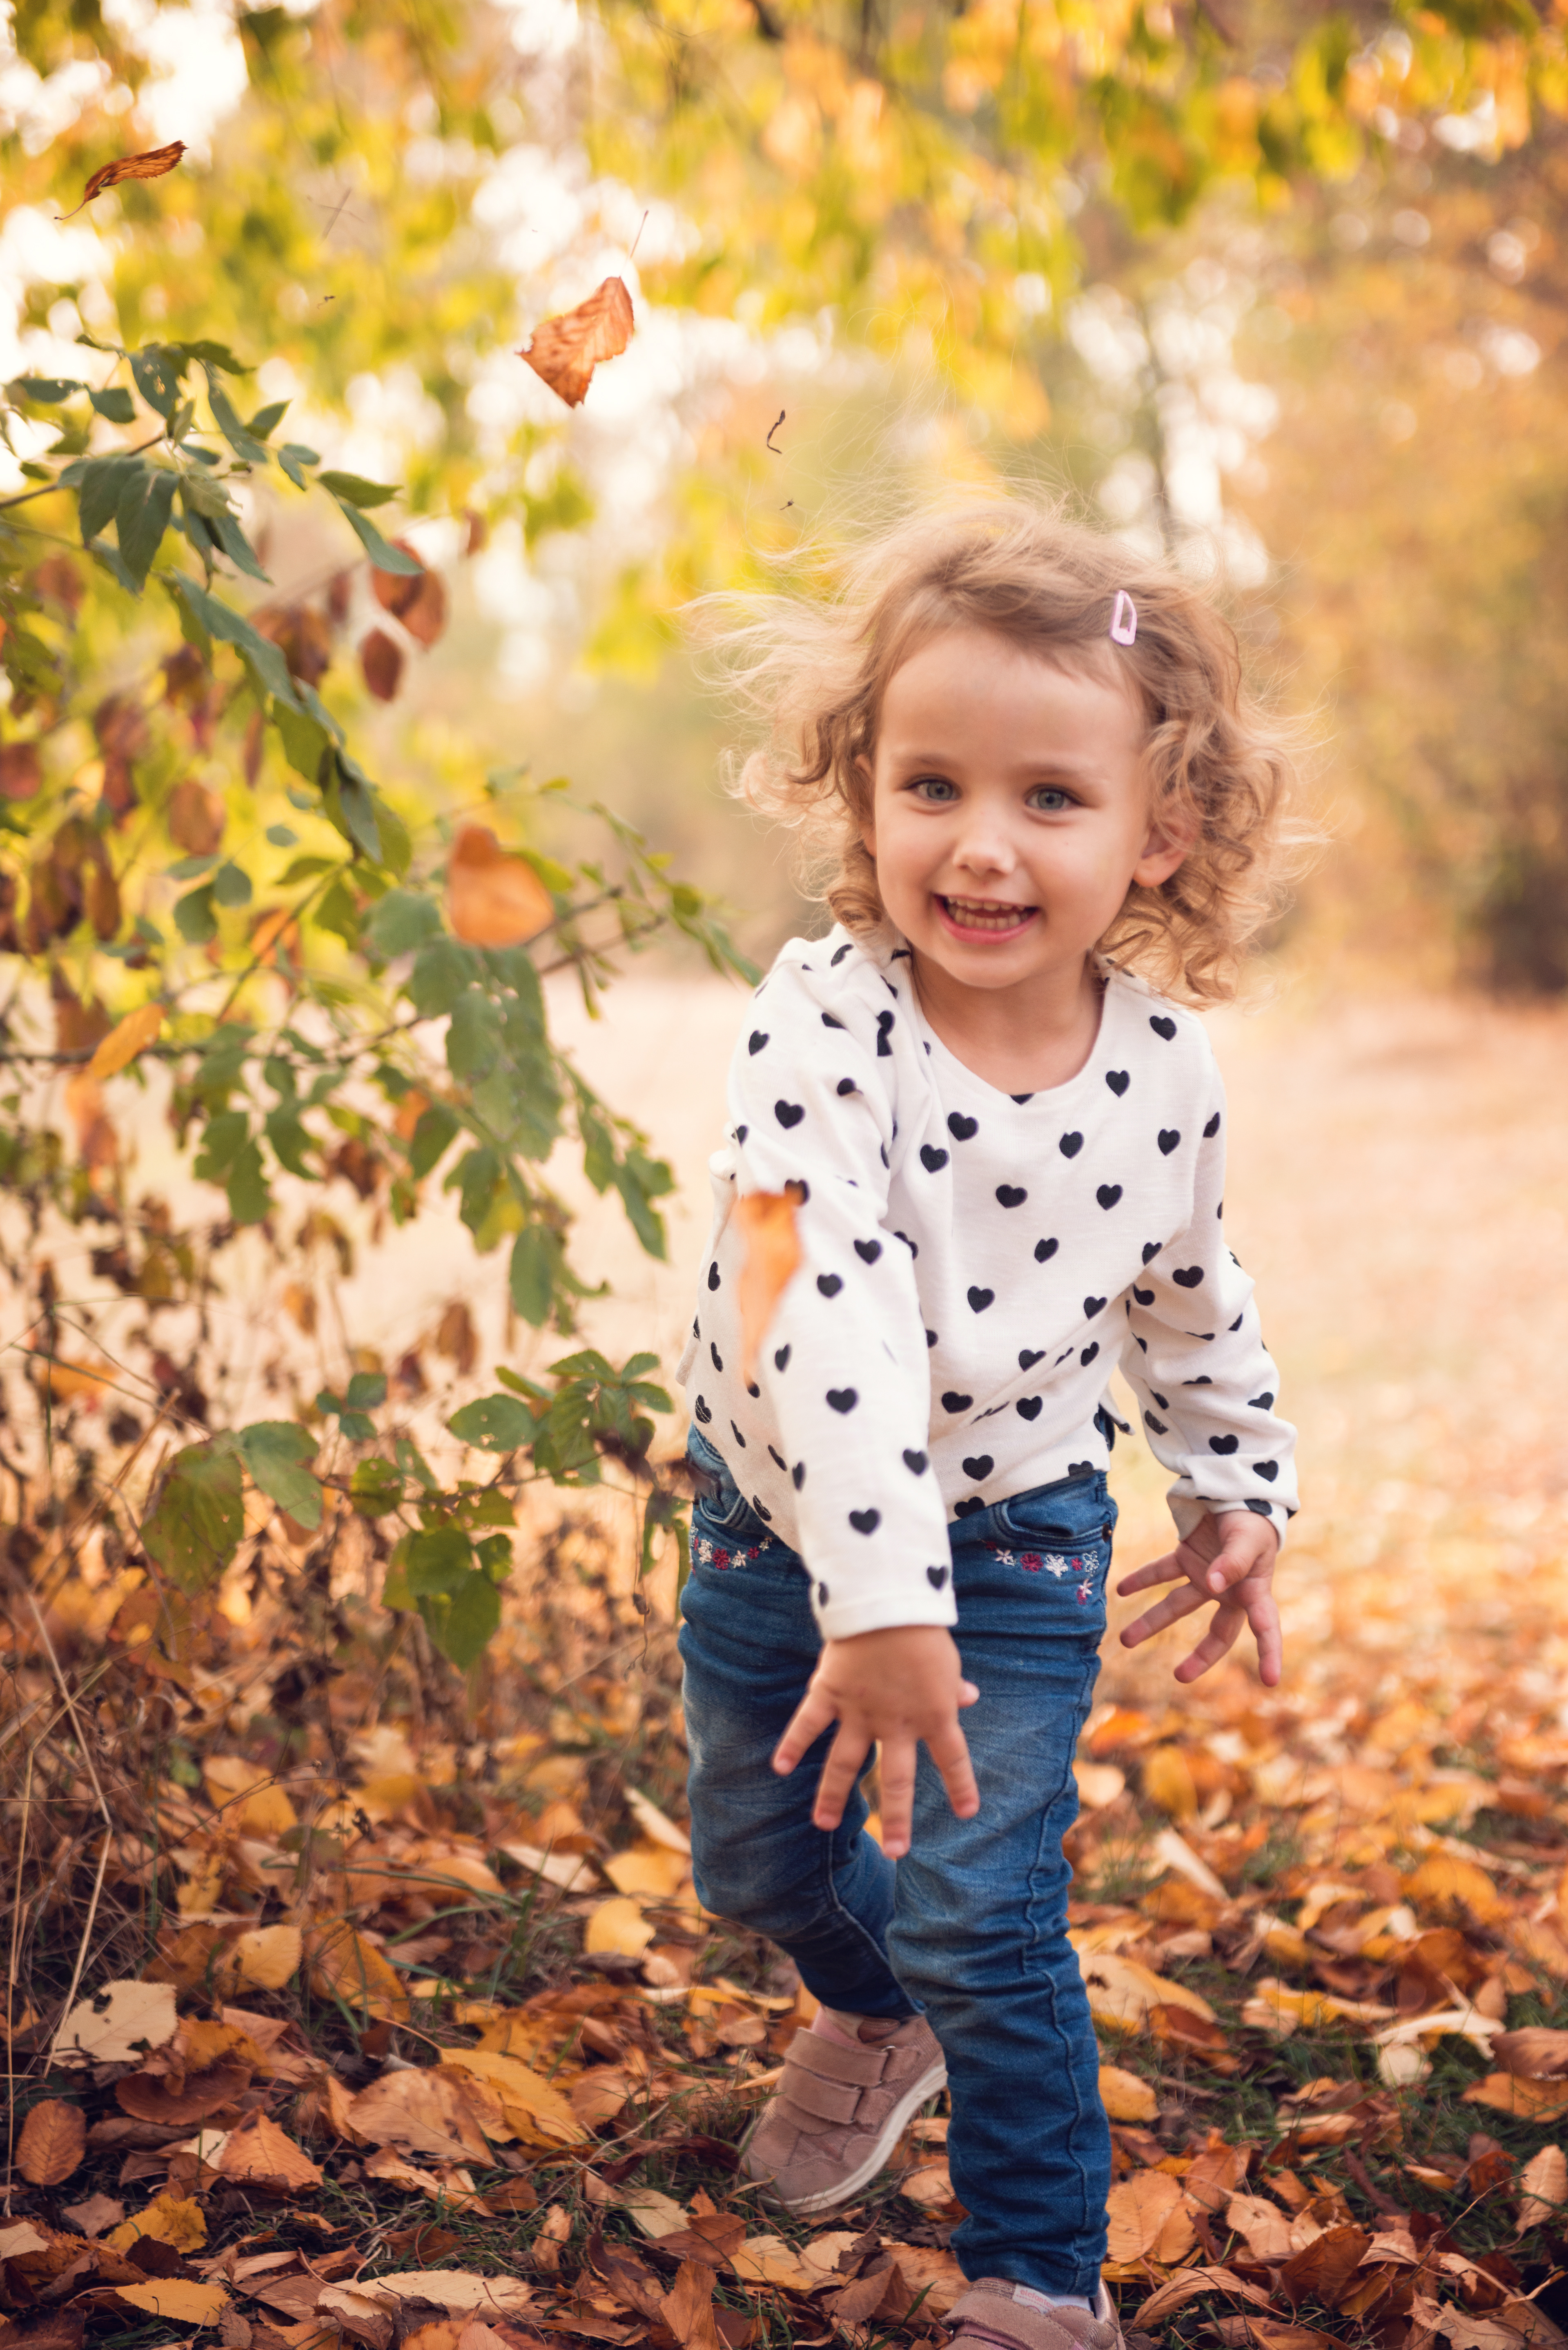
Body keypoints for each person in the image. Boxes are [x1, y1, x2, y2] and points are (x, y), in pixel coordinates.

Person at [675, 499, 1301, 2350]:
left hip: (1023, 1528)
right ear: (864, 788)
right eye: (933, 781)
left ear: (1158, 830)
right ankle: (877, 2010)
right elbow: (819, 1307)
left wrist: (1234, 1477)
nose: (983, 843)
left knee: (985, 1900)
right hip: (780, 1517)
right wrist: (873, 1598)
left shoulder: (1165, 1071)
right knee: (755, 1854)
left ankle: (1039, 2267)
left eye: (1051, 797)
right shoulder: (818, 1024)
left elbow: (1189, 1286)